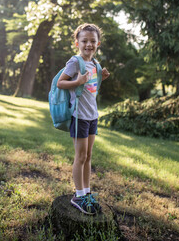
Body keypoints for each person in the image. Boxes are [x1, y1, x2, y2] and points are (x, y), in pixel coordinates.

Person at [56, 23, 110, 215]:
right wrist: (77, 81)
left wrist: (101, 76)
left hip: (92, 116)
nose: (88, 44)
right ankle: (78, 195)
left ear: (98, 43)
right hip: (79, 117)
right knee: (80, 156)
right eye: (84, 40)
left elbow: (91, 89)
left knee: (88, 157)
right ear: (77, 42)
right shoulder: (74, 61)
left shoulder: (95, 64)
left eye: (92, 41)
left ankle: (87, 193)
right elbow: (61, 82)